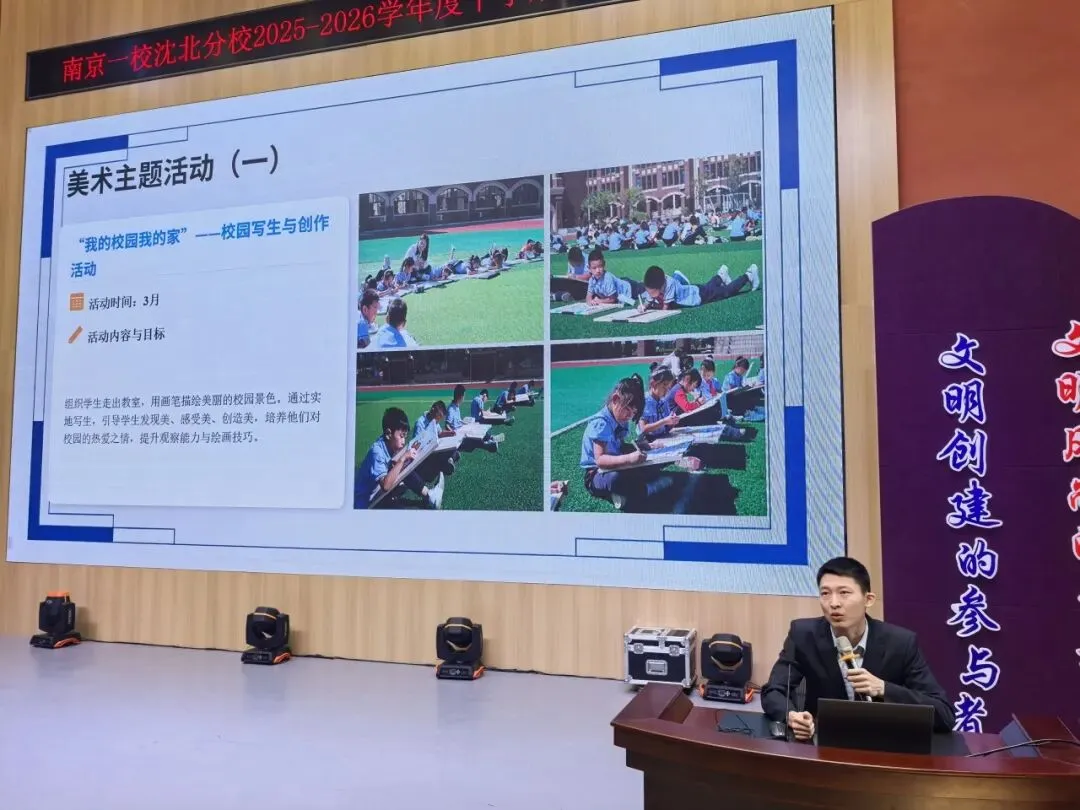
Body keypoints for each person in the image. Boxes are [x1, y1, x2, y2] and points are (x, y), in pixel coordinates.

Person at [761, 557, 954, 739]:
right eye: (825, 593)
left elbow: (944, 714)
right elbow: (773, 691)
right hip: (823, 744)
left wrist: (884, 689)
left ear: (868, 599)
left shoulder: (900, 643)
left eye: (844, 593)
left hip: (884, 744)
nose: (834, 603)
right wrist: (791, 716)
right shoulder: (803, 635)